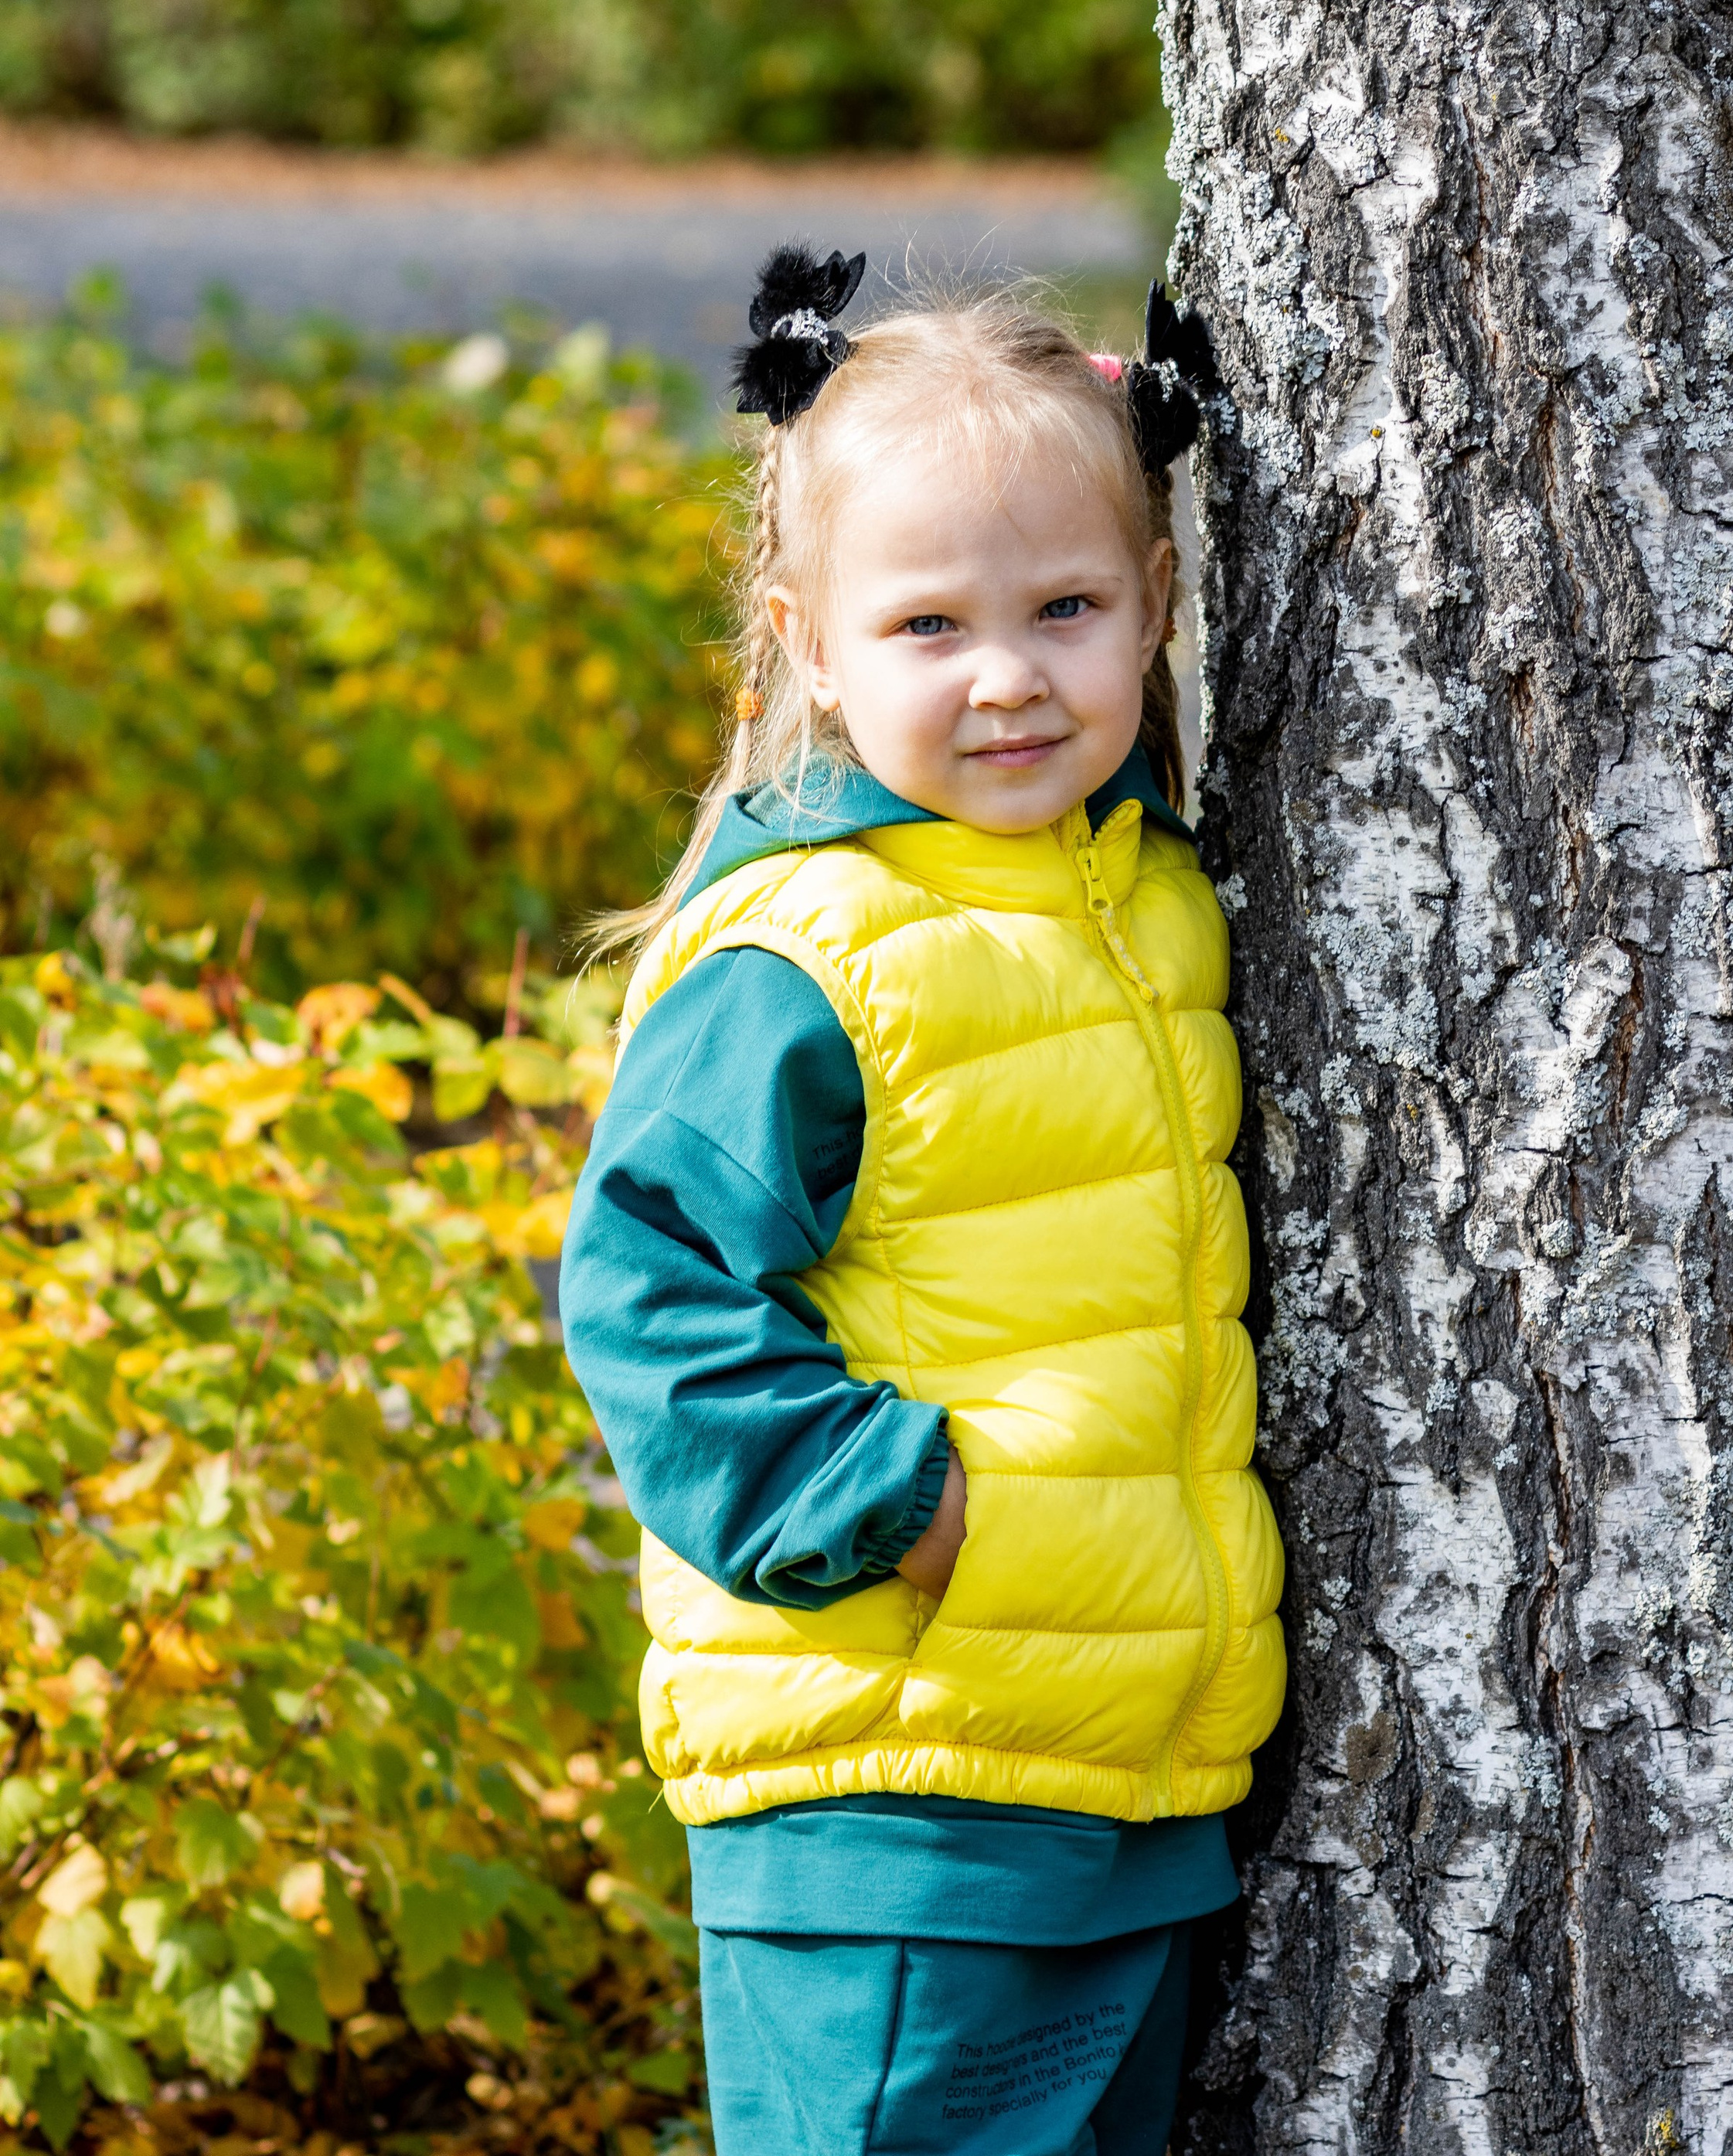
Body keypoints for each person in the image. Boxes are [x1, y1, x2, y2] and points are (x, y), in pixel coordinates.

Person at [559, 249, 1286, 2156]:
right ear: (808, 644)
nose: (1007, 677)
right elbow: (649, 1291)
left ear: (1156, 608)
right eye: (926, 627)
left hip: (1110, 1793)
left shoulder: (1138, 901)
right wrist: (904, 1513)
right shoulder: (803, 953)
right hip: (886, 1817)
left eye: (1064, 608)